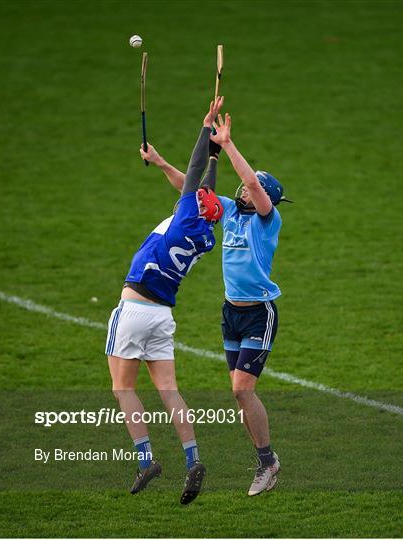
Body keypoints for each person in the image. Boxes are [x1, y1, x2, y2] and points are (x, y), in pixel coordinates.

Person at [141, 111, 292, 497]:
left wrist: (225, 145)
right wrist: (160, 163)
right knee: (237, 392)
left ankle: (267, 462)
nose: (247, 187)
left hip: (260, 312)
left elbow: (252, 186)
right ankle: (265, 459)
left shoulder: (266, 220)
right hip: (231, 313)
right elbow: (191, 195)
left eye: (254, 185)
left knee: (243, 390)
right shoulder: (229, 212)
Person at [106, 96, 224, 505]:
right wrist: (215, 150)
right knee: (170, 389)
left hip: (135, 307)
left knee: (123, 389)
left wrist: (205, 128)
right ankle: (193, 460)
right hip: (162, 317)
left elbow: (193, 175)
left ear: (194, 206)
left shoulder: (186, 215)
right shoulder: (205, 233)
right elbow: (201, 183)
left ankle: (146, 460)